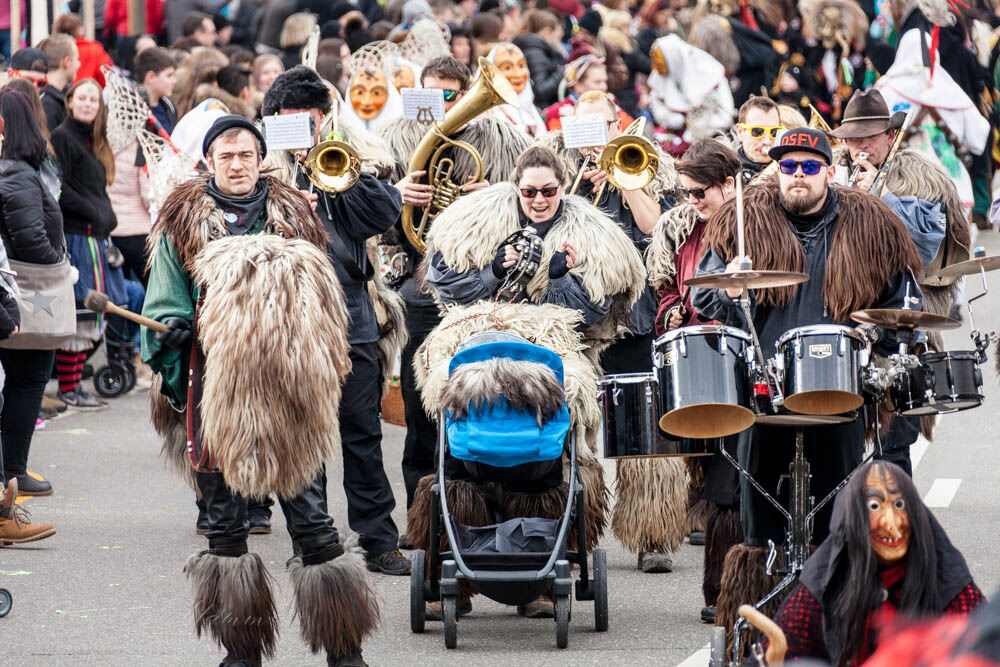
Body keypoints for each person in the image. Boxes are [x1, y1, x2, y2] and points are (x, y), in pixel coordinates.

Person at [142, 114, 379, 667]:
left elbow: (326, 292)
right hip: (217, 393)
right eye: (226, 156)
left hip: (290, 393)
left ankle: (344, 648)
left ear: (260, 157)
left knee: (314, 524)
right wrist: (175, 327)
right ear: (210, 162)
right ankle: (241, 650)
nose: (237, 164)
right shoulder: (183, 220)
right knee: (226, 528)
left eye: (246, 154)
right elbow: (164, 299)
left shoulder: (295, 212)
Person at [690, 128, 924, 649]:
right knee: (760, 526)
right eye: (788, 167)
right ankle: (754, 627)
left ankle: (839, 623)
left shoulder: (872, 224)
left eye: (809, 167)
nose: (797, 176)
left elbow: (902, 303)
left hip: (840, 394)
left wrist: (877, 334)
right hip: (764, 396)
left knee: (838, 514)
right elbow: (705, 297)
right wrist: (731, 283)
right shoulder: (743, 222)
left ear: (829, 171)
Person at [416, 144, 644, 615]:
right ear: (515, 188)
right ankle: (449, 580)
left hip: (554, 340)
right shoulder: (476, 219)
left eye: (548, 191)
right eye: (529, 192)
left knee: (563, 405)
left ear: (562, 187)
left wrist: (559, 278)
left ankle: (541, 572)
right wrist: (493, 270)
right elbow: (445, 284)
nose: (539, 200)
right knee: (455, 399)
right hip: (475, 329)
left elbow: (592, 312)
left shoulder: (592, 233)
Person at [262, 66, 410, 576]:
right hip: (292, 316)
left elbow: (382, 214)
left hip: (351, 314)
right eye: (285, 120)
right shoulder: (263, 168)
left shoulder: (354, 155)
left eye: (306, 119)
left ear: (323, 117)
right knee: (304, 436)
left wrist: (335, 178)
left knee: (362, 434)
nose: (298, 128)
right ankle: (314, 539)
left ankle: (379, 540)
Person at [379, 55, 530, 539]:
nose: (440, 104)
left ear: (466, 93)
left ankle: (491, 510)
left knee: (490, 396)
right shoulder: (391, 139)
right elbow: (372, 223)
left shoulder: (504, 139)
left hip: (486, 278)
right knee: (423, 407)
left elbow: (536, 198)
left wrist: (499, 195)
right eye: (429, 93)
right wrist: (394, 196)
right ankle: (420, 517)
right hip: (418, 276)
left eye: (451, 95)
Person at [546, 90, 687, 574]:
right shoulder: (557, 167)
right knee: (568, 433)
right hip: (575, 318)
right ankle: (569, 532)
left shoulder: (648, 161)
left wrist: (627, 181)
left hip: (633, 316)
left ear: (616, 125)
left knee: (643, 431)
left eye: (600, 127)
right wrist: (574, 193)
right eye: (581, 129)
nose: (591, 139)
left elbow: (661, 229)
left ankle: (651, 535)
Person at [831, 89, 971, 477]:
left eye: (869, 137)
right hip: (846, 325)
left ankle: (897, 527)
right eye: (853, 137)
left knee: (893, 445)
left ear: (889, 136)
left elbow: (926, 242)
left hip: (901, 326)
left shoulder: (912, 174)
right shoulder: (831, 173)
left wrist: (881, 196)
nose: (860, 145)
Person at [647, 139, 743, 621]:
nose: (691, 201)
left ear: (729, 184)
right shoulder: (678, 228)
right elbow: (664, 285)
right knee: (712, 480)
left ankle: (727, 591)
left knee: (732, 483)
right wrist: (671, 313)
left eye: (698, 192)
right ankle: (723, 589)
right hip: (693, 356)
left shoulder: (754, 223)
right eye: (684, 192)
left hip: (740, 353)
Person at [762, 461, 984, 664]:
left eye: (899, 505)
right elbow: (779, 647)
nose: (891, 524)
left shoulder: (947, 582)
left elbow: (985, 647)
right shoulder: (826, 584)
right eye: (875, 506)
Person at [0, 89, 65, 499]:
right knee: (27, 380)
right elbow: (30, 240)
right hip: (26, 288)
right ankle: (13, 471)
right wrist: (59, 263)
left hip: (15, 288)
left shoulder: (16, 171)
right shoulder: (16, 174)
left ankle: (11, 471)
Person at [51, 79, 123, 409]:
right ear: (69, 101)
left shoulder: (96, 140)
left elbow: (97, 190)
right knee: (82, 312)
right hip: (77, 236)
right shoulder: (63, 138)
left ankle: (76, 385)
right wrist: (94, 212)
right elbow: (59, 188)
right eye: (82, 97)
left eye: (93, 99)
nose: (88, 104)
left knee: (95, 314)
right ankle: (69, 387)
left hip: (96, 237)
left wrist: (106, 216)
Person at [647, 34, 735, 140]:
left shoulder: (709, 71)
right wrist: (668, 117)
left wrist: (697, 128)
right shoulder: (661, 75)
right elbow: (656, 103)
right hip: (674, 139)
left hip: (712, 137)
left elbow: (726, 115)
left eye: (661, 65)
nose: (657, 69)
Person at [486, 41, 545, 136]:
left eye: (521, 66)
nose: (517, 74)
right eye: (507, 68)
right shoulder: (488, 114)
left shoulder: (531, 109)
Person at [512, 9, 566, 109]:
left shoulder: (534, 48)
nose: (558, 42)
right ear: (547, 31)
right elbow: (541, 90)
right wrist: (564, 71)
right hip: (541, 109)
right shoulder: (535, 51)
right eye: (558, 37)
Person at [38, 34, 81, 132]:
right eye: (77, 59)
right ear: (67, 62)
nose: (79, 64)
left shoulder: (57, 96)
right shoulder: (47, 104)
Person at [735, 95, 782, 183]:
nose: (767, 141)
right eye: (757, 131)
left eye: (774, 132)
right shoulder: (726, 170)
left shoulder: (787, 170)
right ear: (740, 132)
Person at [134, 47, 178, 136]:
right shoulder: (133, 108)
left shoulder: (169, 107)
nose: (174, 81)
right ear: (151, 77)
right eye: (169, 75)